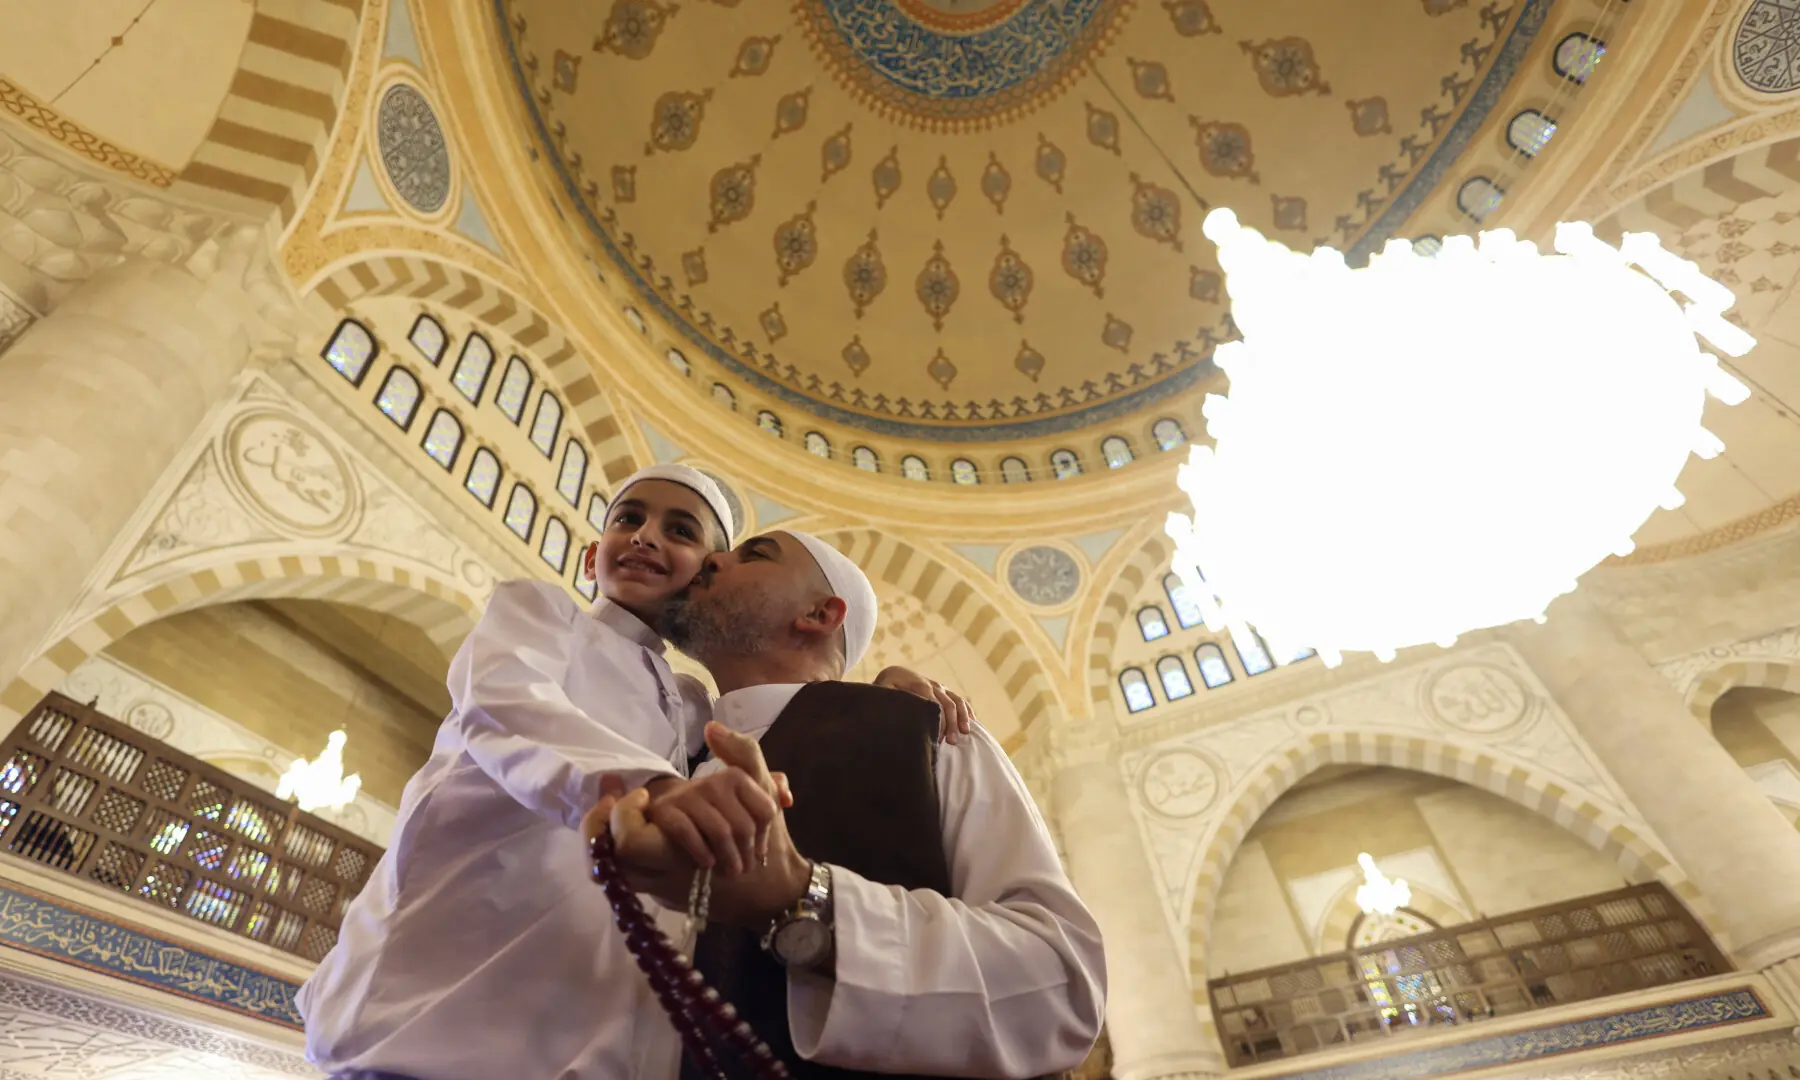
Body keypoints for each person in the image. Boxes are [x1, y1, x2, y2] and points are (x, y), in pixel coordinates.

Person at [299, 465, 970, 1080]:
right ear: (592, 557)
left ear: (703, 578)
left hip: (581, 1029)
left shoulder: (690, 703)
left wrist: (888, 692)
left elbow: (791, 720)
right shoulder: (541, 614)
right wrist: (655, 793)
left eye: (679, 531)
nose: (646, 537)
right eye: (628, 519)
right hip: (431, 1008)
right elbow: (508, 709)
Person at [591, 529, 1107, 1078]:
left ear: (820, 613)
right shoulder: (660, 757)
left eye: (754, 555)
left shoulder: (924, 733)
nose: (713, 558)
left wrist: (799, 901)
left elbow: (1059, 988)